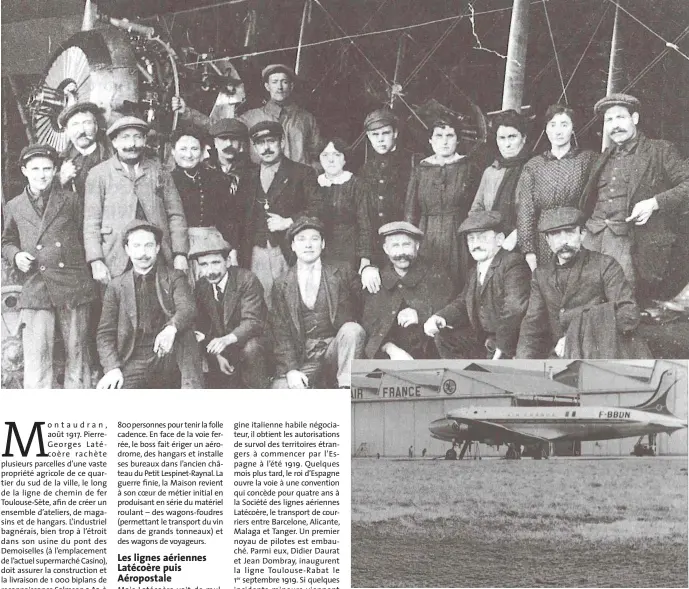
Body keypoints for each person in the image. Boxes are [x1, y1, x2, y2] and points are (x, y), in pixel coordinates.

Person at [1, 144, 98, 388]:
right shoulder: (13, 205)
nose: (41, 174)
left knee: (77, 355)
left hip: (72, 284)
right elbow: (7, 241)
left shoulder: (71, 200)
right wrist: (16, 255)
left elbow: (84, 235)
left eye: (47, 169)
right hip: (36, 285)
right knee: (37, 357)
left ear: (55, 170)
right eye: (35, 169)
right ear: (24, 170)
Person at [580, 93, 689, 301]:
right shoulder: (604, 156)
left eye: (620, 117)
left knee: (620, 302)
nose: (615, 125)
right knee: (585, 297)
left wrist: (654, 203)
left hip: (630, 244)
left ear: (635, 119)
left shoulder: (660, 150)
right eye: (609, 120)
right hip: (593, 239)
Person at [516, 207, 649, 359]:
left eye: (570, 232)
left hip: (603, 352)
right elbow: (532, 327)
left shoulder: (605, 265)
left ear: (582, 234)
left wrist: (576, 337)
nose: (563, 240)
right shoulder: (541, 275)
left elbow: (629, 314)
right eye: (555, 234)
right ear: (547, 240)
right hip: (562, 356)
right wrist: (523, 363)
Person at [96, 220, 203, 389]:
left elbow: (187, 309)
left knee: (186, 333)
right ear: (127, 249)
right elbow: (105, 333)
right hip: (134, 359)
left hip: (169, 355)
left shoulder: (174, 277)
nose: (142, 253)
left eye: (148, 246)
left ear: (157, 248)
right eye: (136, 246)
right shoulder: (116, 286)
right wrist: (112, 368)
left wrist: (171, 329)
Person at [84, 116, 189, 284]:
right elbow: (91, 222)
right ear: (114, 142)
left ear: (145, 140)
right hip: (115, 258)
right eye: (125, 137)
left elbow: (176, 215)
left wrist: (180, 254)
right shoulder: (99, 174)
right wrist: (96, 260)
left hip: (157, 256)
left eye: (137, 137)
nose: (132, 144)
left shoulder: (160, 171)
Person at [270, 217, 365, 389]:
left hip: (336, 350)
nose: (308, 245)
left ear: (322, 244)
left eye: (314, 239)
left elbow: (364, 308)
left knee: (353, 330)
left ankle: (347, 389)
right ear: (292, 246)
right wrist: (291, 369)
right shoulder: (281, 283)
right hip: (304, 357)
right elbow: (280, 330)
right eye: (301, 239)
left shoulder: (342, 272)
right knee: (281, 392)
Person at [425, 211, 531, 359]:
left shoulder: (513, 263)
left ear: (500, 239)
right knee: (443, 338)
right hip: (482, 338)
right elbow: (463, 302)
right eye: (471, 239)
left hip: (509, 341)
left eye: (482, 238)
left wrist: (502, 346)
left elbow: (514, 309)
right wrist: (441, 316)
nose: (476, 245)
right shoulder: (475, 269)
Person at [237, 121, 319, 305]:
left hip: (288, 252)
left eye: (271, 141)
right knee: (261, 304)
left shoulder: (302, 173)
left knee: (293, 301)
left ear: (282, 142)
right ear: (255, 147)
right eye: (260, 143)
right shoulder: (248, 176)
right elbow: (239, 217)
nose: (266, 148)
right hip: (256, 254)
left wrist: (289, 221)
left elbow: (319, 208)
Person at [516, 104, 596, 270]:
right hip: (544, 240)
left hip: (577, 238)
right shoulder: (534, 166)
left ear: (573, 129)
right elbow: (525, 211)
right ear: (546, 129)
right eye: (553, 125)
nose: (558, 131)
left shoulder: (587, 160)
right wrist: (529, 252)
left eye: (564, 125)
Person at [404, 118, 478, 294]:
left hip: (457, 234)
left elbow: (476, 206)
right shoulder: (421, 169)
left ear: (458, 140)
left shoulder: (468, 167)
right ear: (430, 140)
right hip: (426, 233)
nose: (444, 141)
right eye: (438, 136)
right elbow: (410, 209)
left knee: (458, 280)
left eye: (450, 136)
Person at [362, 221, 453, 360]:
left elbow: (450, 313)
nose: (401, 253)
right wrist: (391, 349)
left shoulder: (436, 274)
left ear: (417, 246)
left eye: (406, 245)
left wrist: (420, 315)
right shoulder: (378, 279)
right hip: (390, 355)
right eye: (395, 246)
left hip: (430, 354)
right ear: (386, 249)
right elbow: (370, 325)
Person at [191, 232, 270, 389]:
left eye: (215, 263)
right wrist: (217, 355)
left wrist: (225, 340)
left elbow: (253, 322)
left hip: (254, 345)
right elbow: (203, 328)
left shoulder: (247, 280)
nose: (210, 271)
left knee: (251, 348)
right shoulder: (202, 286)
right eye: (204, 265)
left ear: (227, 261)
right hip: (225, 351)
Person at [358, 108, 415, 292]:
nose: (380, 139)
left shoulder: (412, 163)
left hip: (406, 248)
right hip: (378, 250)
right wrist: (366, 259)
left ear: (395, 133)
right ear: (368, 136)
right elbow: (365, 216)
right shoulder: (366, 170)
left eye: (385, 133)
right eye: (375, 135)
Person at [169, 127, 239, 266]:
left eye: (194, 149)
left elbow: (228, 218)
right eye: (183, 149)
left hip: (214, 244)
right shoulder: (167, 181)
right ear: (173, 151)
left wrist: (232, 249)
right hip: (180, 248)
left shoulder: (216, 178)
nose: (189, 155)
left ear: (201, 152)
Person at [470, 109, 530, 249]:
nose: (507, 144)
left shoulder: (533, 168)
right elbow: (476, 209)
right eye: (501, 138)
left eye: (512, 137)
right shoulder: (491, 172)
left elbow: (537, 212)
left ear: (524, 138)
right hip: (493, 242)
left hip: (525, 241)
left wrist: (517, 235)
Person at [239, 64, 321, 166]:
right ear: (267, 86)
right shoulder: (249, 118)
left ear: (291, 86)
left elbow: (316, 153)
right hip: (264, 178)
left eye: (284, 82)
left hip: (300, 178)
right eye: (274, 82)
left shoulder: (306, 118)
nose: (280, 87)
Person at [311, 137, 373, 272]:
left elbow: (365, 224)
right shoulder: (314, 184)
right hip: (320, 251)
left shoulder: (357, 185)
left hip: (350, 251)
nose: (331, 160)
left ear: (345, 159)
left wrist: (365, 259)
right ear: (319, 159)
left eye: (337, 155)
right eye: (325, 155)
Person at [57, 102, 112, 202]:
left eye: (87, 123)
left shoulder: (112, 155)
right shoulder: (58, 161)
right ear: (67, 131)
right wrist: (60, 180)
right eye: (75, 124)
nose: (81, 130)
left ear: (96, 127)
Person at [207, 118, 250, 189]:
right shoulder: (204, 169)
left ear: (241, 143)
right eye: (223, 138)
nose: (229, 144)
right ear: (215, 142)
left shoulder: (253, 172)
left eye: (234, 139)